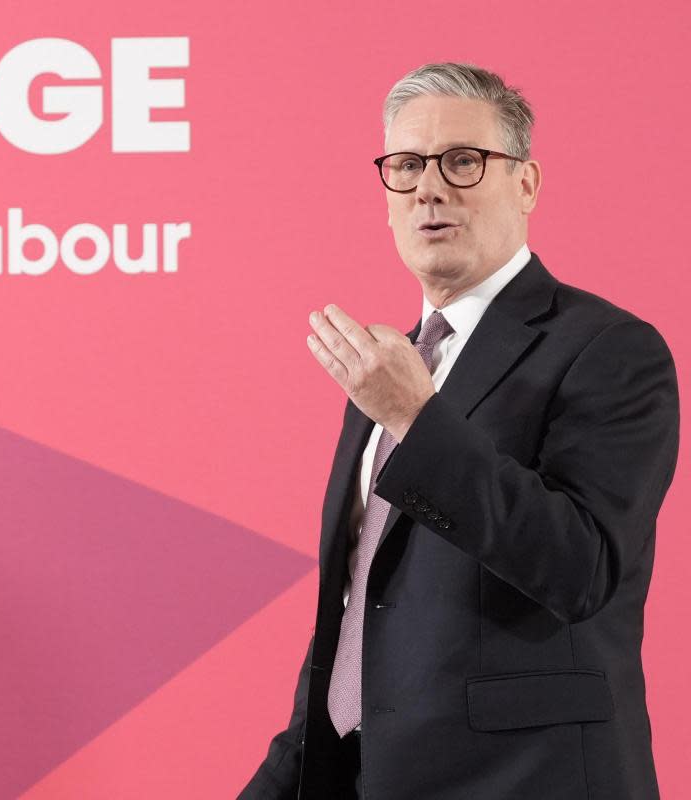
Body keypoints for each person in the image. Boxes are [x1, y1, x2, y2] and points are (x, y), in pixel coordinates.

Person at [238, 62, 680, 800]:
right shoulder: (387, 371)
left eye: (463, 161)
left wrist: (415, 417)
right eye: (406, 166)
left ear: (527, 184)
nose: (429, 188)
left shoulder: (610, 350)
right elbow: (359, 616)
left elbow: (582, 566)